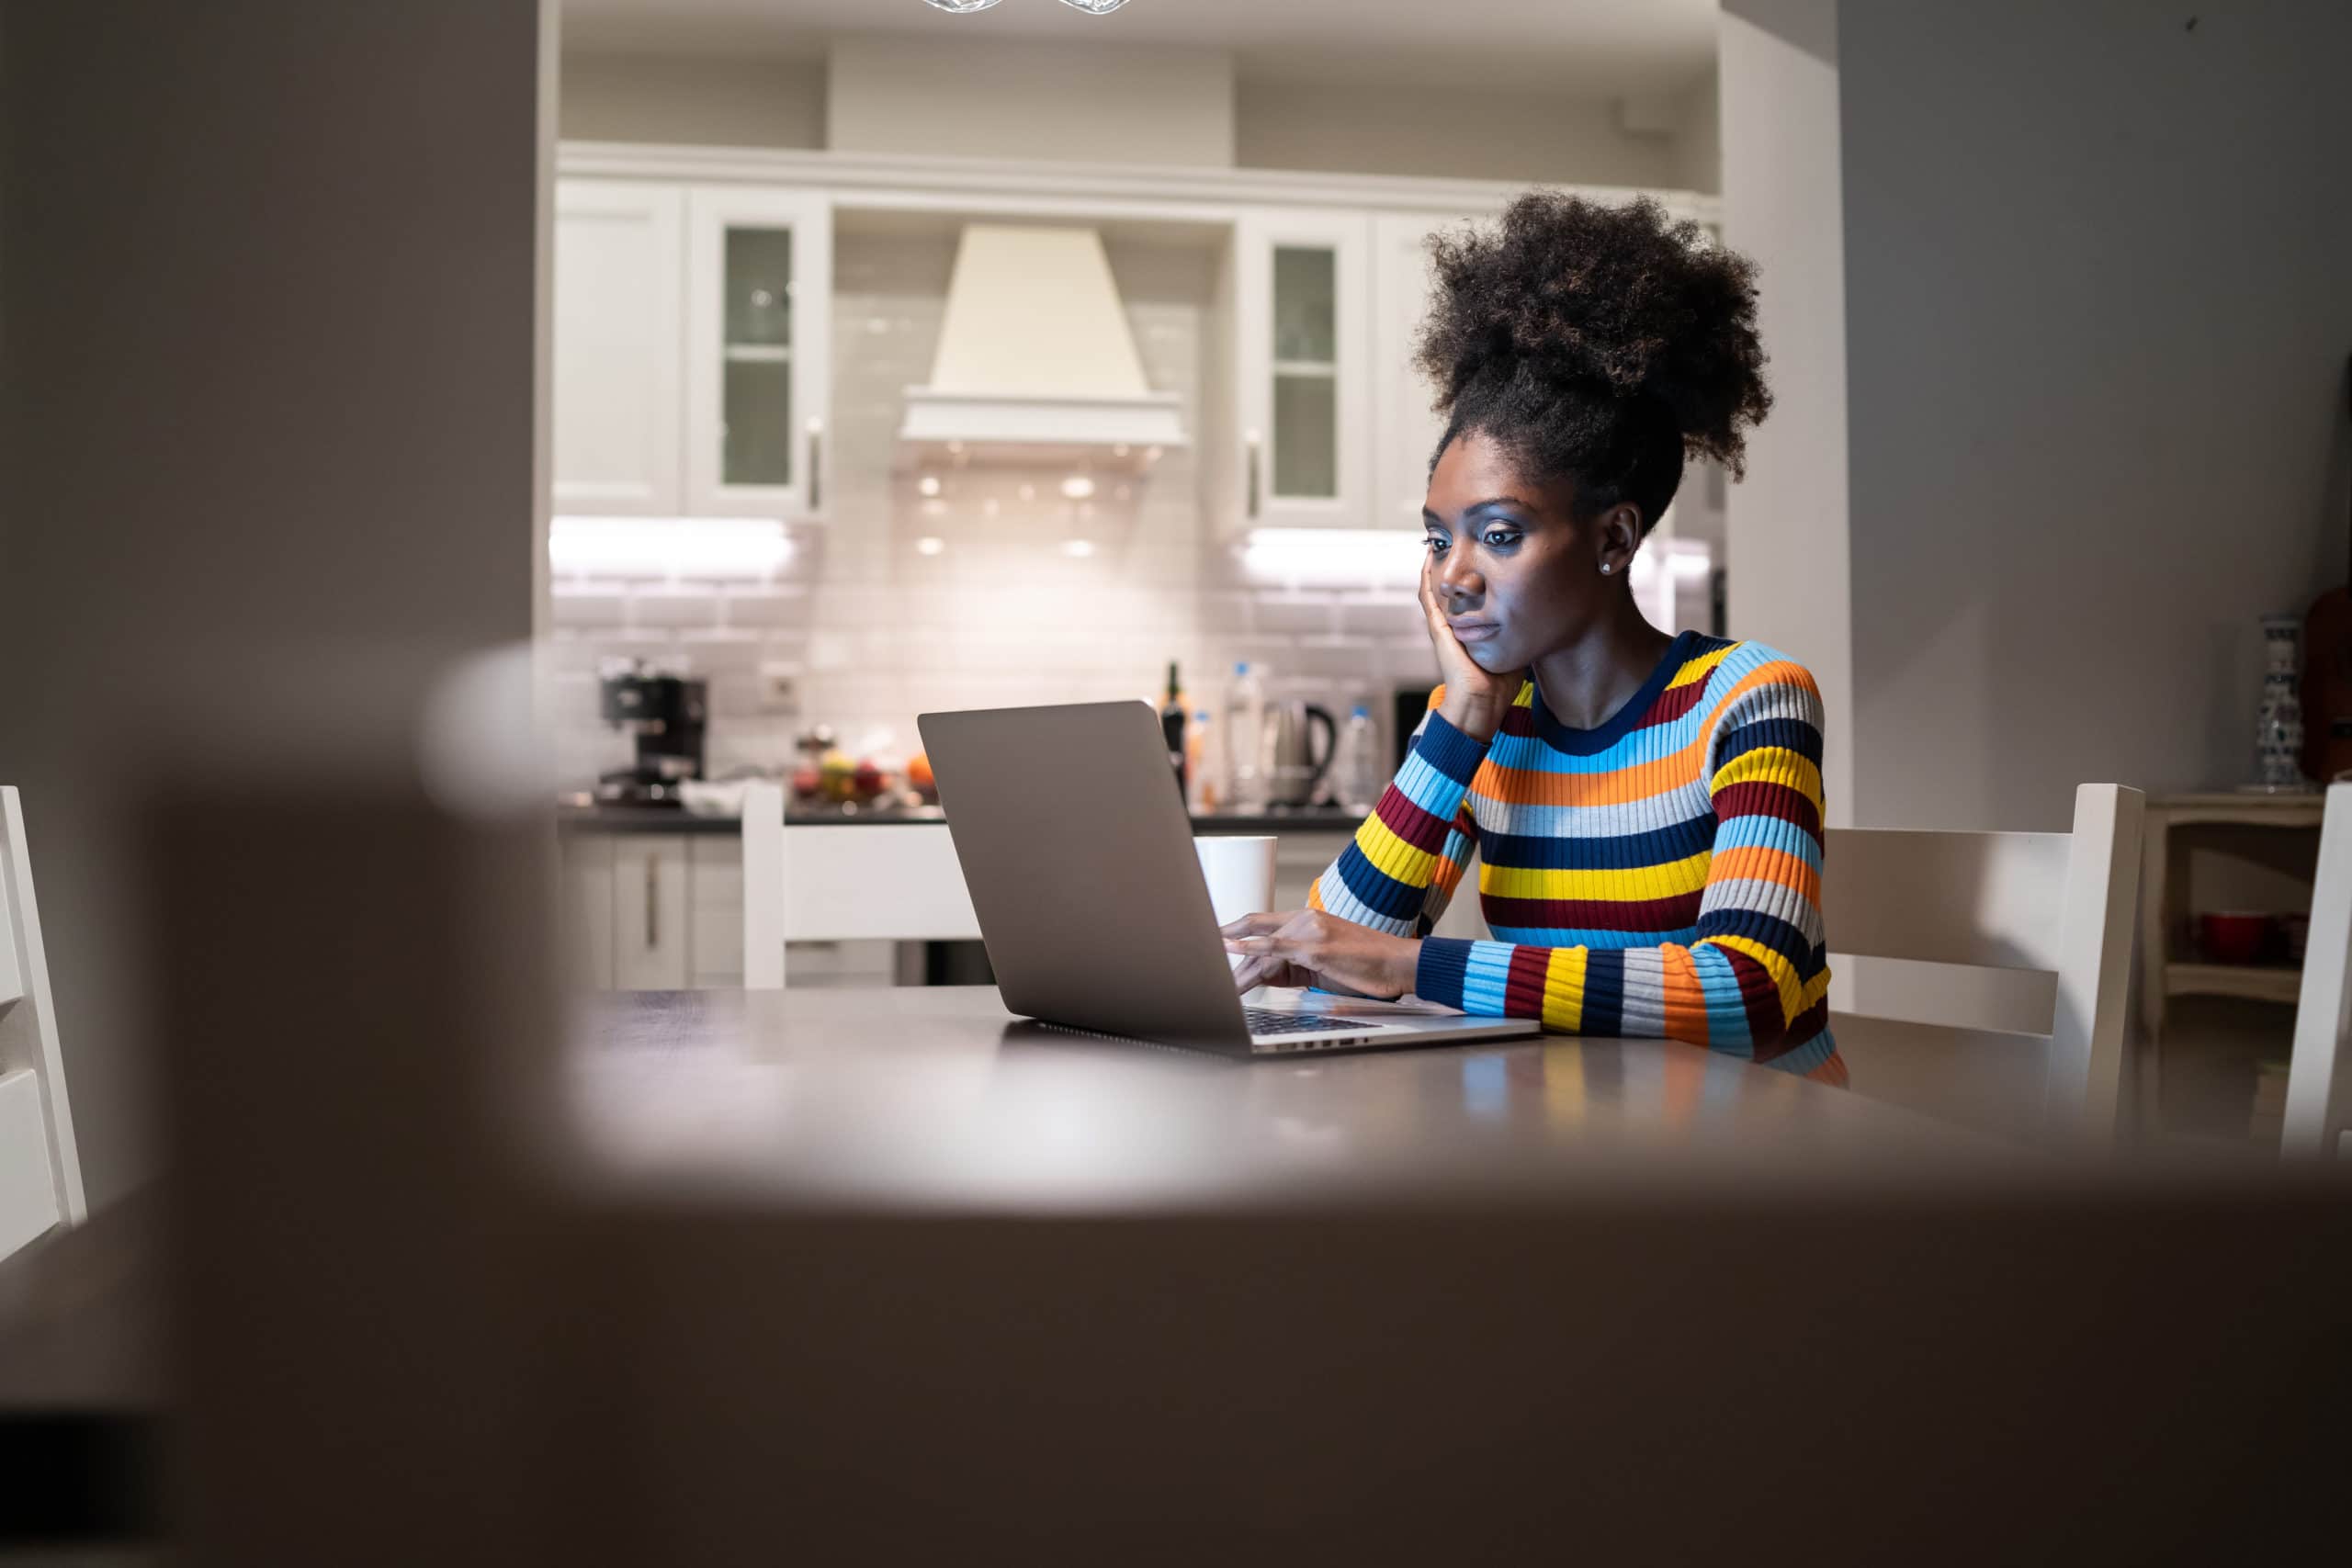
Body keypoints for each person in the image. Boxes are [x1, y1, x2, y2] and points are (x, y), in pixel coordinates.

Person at [1222, 191, 1843, 1084]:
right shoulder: (1492, 729)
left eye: (1499, 535)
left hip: (1764, 1159)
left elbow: (1744, 994)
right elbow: (1335, 964)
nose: (1453, 576)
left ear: (1614, 539)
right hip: (1578, 1144)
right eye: (1438, 539)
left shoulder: (1749, 699)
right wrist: (1461, 721)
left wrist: (1415, 970)